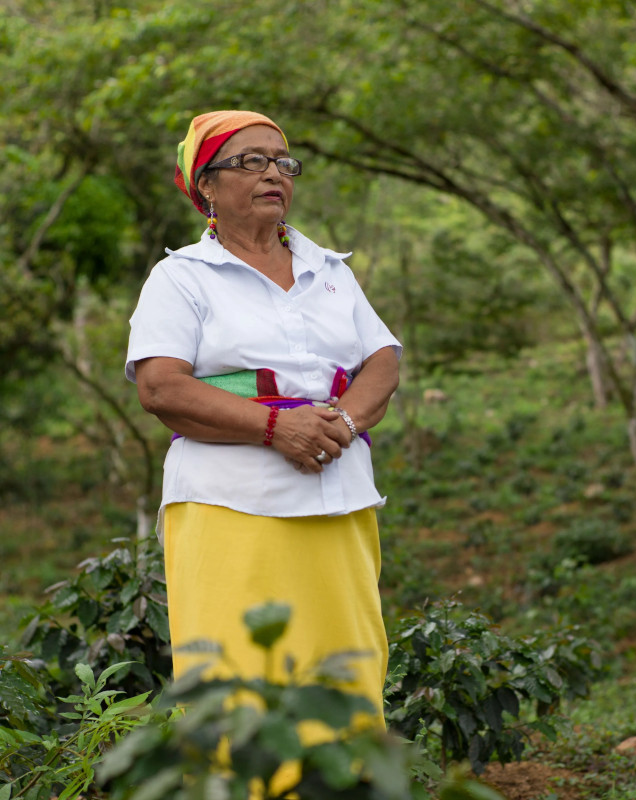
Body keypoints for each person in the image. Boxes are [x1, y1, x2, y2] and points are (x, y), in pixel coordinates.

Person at [125, 110, 401, 731]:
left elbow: (381, 363)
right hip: (230, 502)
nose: (273, 172)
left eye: (282, 161)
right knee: (238, 677)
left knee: (346, 664)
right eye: (250, 161)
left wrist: (343, 427)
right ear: (207, 189)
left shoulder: (331, 271)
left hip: (339, 494)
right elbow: (160, 386)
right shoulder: (181, 279)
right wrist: (278, 429)